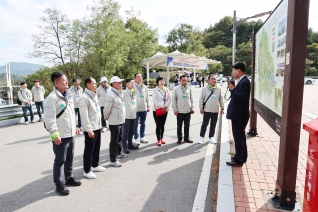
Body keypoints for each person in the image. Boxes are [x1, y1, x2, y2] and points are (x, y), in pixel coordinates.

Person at [43, 72, 81, 196]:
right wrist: (55, 135)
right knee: (60, 160)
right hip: (61, 136)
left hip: (70, 133)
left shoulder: (68, 95)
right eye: (63, 80)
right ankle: (59, 184)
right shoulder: (52, 98)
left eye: (66, 80)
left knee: (70, 158)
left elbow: (71, 113)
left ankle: (69, 177)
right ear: (56, 82)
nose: (66, 82)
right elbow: (49, 119)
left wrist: (75, 125)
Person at [79, 77, 106, 179]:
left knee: (96, 147)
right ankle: (87, 170)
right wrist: (89, 130)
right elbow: (84, 116)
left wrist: (100, 125)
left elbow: (97, 112)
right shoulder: (84, 97)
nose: (96, 85)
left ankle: (95, 165)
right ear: (88, 85)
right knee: (89, 149)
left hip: (97, 126)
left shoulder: (94, 95)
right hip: (90, 128)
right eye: (94, 83)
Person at [226, 62, 251, 167]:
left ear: (239, 70)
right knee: (240, 136)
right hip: (239, 114)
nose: (233, 72)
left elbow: (242, 97)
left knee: (238, 137)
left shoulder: (245, 82)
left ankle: (238, 159)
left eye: (234, 70)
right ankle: (242, 156)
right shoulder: (242, 81)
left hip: (240, 115)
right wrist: (234, 89)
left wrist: (233, 89)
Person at [104, 76, 127, 167]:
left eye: (121, 82)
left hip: (120, 119)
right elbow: (107, 109)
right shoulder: (111, 94)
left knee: (119, 138)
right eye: (119, 82)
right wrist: (105, 117)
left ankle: (119, 152)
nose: (121, 84)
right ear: (113, 84)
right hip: (114, 121)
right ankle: (113, 159)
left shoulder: (119, 93)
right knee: (114, 140)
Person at [198, 75, 224, 144]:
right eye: (212, 79)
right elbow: (201, 99)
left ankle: (211, 137)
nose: (214, 80)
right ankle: (201, 137)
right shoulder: (204, 89)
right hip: (207, 110)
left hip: (215, 110)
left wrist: (222, 108)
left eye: (215, 79)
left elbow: (221, 99)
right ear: (208, 81)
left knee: (213, 124)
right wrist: (201, 108)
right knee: (204, 124)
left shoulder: (218, 88)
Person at [172, 75, 194, 144]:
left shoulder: (189, 88)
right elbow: (174, 100)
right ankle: (179, 138)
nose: (185, 82)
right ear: (180, 81)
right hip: (180, 111)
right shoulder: (176, 89)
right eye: (183, 80)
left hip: (188, 111)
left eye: (186, 80)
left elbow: (191, 99)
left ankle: (186, 138)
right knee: (179, 126)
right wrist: (175, 109)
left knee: (187, 125)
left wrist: (192, 107)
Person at [152, 76, 171, 146]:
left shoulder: (166, 89)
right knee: (158, 125)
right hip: (157, 110)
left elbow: (169, 98)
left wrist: (166, 106)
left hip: (165, 110)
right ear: (158, 82)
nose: (162, 82)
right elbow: (155, 100)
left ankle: (162, 138)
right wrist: (162, 106)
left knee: (163, 125)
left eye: (163, 81)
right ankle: (158, 139)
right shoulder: (155, 90)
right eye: (161, 81)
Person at [122, 78, 139, 154]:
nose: (133, 84)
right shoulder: (124, 93)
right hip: (126, 115)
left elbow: (135, 102)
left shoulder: (133, 91)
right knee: (125, 131)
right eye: (131, 82)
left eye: (134, 82)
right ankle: (124, 146)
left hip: (133, 115)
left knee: (131, 131)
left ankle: (130, 144)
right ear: (126, 84)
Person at [133, 73, 150, 145]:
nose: (140, 78)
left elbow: (147, 97)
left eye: (141, 77)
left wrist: (148, 106)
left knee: (143, 123)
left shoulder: (145, 87)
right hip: (135, 109)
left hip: (143, 108)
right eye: (138, 77)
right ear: (135, 79)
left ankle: (142, 137)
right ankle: (136, 138)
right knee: (135, 124)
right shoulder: (133, 87)